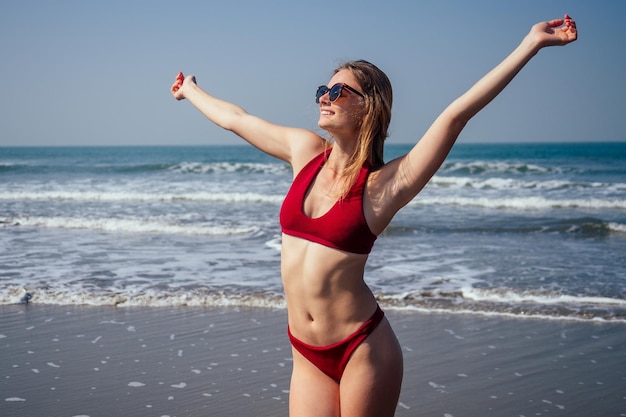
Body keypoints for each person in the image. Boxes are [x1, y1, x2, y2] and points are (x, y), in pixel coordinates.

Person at [171, 15, 577, 417]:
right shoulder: (304, 152)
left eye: (339, 91)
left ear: (369, 107)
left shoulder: (384, 185)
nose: (324, 97)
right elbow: (238, 120)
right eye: (323, 89)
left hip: (362, 349)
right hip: (305, 351)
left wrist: (531, 44)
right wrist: (191, 91)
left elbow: (455, 117)